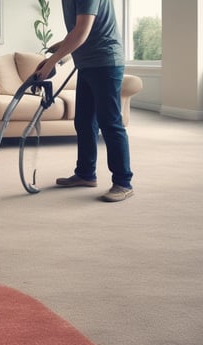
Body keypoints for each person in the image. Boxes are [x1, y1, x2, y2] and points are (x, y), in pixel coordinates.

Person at [35, 0, 134, 202]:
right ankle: (85, 174)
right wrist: (56, 55)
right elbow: (79, 33)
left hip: (105, 63)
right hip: (88, 64)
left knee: (110, 122)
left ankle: (123, 182)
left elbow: (81, 32)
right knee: (84, 121)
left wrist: (52, 62)